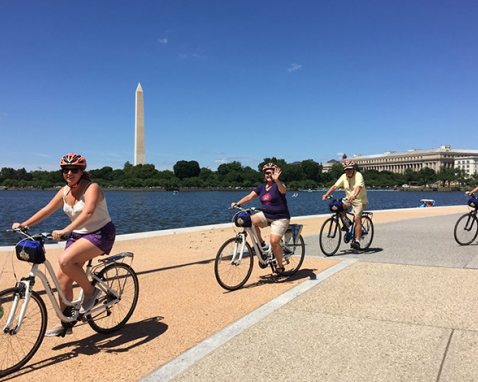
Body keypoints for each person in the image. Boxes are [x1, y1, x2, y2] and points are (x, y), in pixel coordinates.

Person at [12, 153, 116, 337]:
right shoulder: (64, 191)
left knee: (65, 260)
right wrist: (24, 224)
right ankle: (66, 323)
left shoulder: (92, 187)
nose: (69, 173)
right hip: (78, 235)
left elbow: (88, 212)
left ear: (82, 171)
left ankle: (91, 293)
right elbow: (46, 210)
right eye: (65, 170)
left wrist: (65, 229)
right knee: (62, 281)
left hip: (100, 233)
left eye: (74, 169)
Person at [230, 162, 290, 275]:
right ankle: (261, 244)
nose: (268, 175)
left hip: (280, 217)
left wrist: (277, 180)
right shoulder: (262, 187)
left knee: (274, 241)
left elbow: (283, 190)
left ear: (275, 173)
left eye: (270, 173)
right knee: (248, 221)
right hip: (266, 214)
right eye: (266, 173)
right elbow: (250, 196)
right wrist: (238, 203)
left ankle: (280, 266)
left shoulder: (278, 185)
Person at [322, 158, 368, 250]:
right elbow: (335, 186)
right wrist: (326, 194)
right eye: (346, 169)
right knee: (338, 208)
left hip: (359, 200)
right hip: (348, 199)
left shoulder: (358, 175)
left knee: (357, 218)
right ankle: (348, 223)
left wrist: (354, 195)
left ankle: (357, 241)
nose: (348, 171)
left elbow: (358, 187)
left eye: (350, 169)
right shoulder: (344, 176)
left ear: (353, 169)